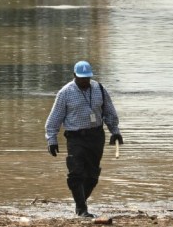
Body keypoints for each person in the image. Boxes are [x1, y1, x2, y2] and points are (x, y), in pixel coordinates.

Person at [45, 60, 123, 218]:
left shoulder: (99, 89)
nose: (84, 81)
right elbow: (53, 119)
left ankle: (80, 203)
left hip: (96, 136)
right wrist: (51, 140)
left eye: (87, 78)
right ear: (74, 75)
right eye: (81, 78)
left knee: (92, 176)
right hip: (76, 138)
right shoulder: (65, 93)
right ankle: (81, 209)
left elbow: (109, 112)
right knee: (76, 173)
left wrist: (115, 131)